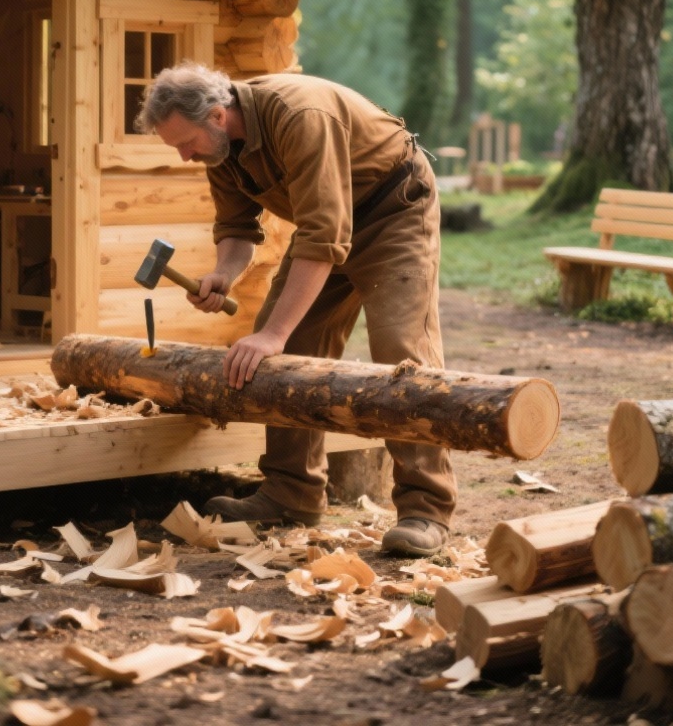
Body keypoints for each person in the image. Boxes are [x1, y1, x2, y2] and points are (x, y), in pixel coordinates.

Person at [136, 62, 457, 557]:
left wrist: (273, 334)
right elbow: (238, 229)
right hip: (327, 230)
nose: (184, 156)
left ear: (218, 115)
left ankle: (426, 508)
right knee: (286, 350)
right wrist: (224, 275)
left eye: (186, 143)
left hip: (394, 212)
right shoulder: (220, 148)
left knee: (401, 349)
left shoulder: (300, 115)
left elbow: (325, 235)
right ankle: (292, 493)